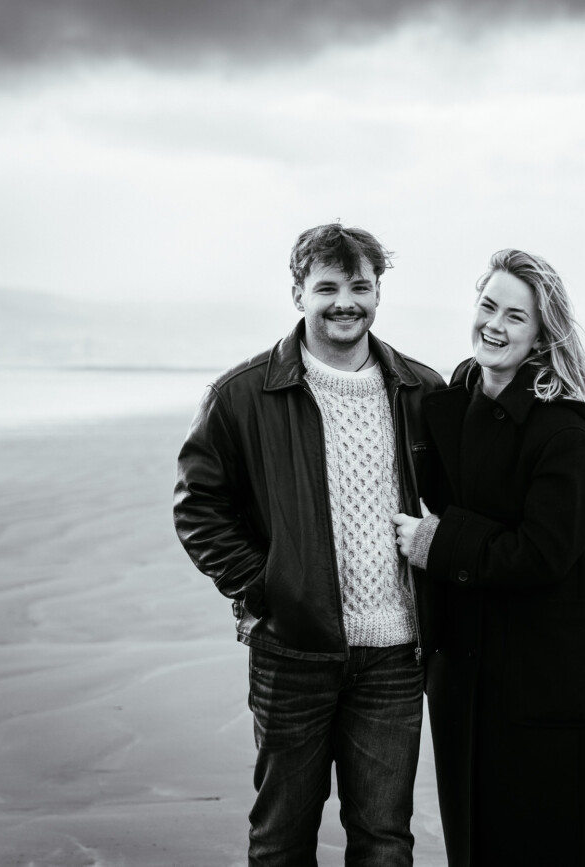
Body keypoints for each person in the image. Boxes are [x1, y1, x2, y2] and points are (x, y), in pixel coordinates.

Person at [173, 222, 444, 866]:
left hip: (395, 655)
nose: (344, 301)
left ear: (379, 294)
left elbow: (459, 498)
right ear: (298, 293)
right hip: (291, 650)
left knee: (383, 839)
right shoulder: (242, 394)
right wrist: (267, 587)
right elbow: (199, 508)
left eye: (360, 286)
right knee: (281, 838)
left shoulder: (422, 391)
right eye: (327, 286)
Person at [392, 249, 585, 866]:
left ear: (541, 335)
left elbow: (543, 553)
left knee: (536, 842)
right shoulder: (450, 408)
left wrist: (435, 543)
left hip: (537, 679)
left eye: (515, 316)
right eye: (487, 307)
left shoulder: (569, 435)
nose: (495, 325)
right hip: (463, 675)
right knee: (471, 843)